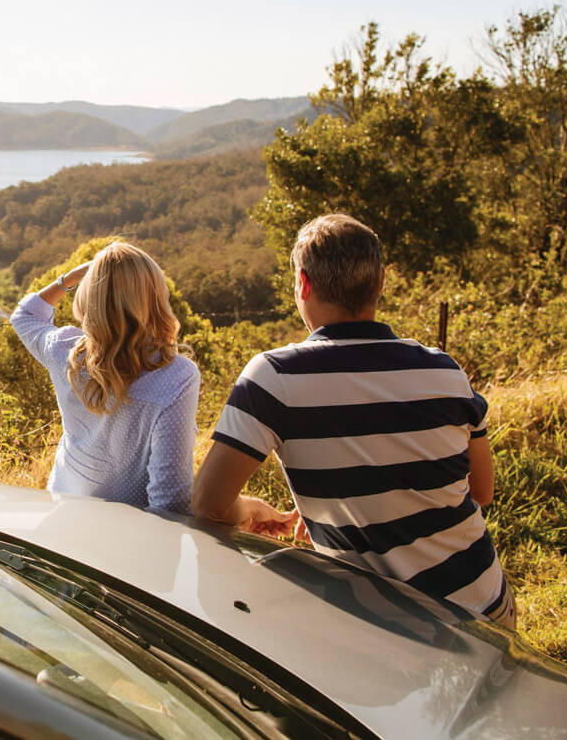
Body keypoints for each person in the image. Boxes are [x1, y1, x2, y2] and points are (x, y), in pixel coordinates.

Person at [192, 214, 515, 629]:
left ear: (303, 284)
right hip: (483, 609)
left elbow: (208, 504)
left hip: (380, 631)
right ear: (380, 283)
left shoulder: (273, 378)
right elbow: (482, 491)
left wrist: (250, 509)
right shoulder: (445, 371)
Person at [10, 241, 199, 513]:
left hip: (62, 517)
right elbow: (170, 502)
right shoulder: (177, 376)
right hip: (126, 538)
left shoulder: (64, 351)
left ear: (90, 297)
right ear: (156, 297)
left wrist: (72, 278)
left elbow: (25, 315)